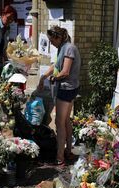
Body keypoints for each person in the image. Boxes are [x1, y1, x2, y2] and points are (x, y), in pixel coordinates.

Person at [38, 26, 81, 166]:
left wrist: (53, 79)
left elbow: (65, 71)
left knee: (59, 122)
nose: (51, 43)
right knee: (66, 120)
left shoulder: (68, 48)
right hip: (70, 88)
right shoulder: (63, 47)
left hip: (66, 89)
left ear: (58, 37)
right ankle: (68, 151)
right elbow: (56, 65)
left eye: (52, 40)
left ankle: (60, 157)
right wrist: (44, 76)